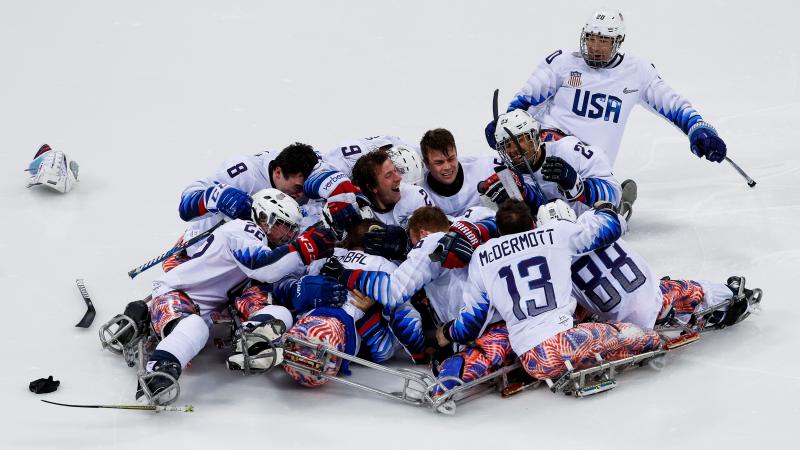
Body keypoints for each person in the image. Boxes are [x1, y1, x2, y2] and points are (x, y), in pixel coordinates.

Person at [489, 9, 728, 218]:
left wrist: (699, 129)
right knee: (513, 204)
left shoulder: (637, 72)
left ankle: (615, 207)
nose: (594, 46)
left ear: (618, 41)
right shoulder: (562, 62)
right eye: (591, 38)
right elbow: (526, 98)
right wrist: (506, 127)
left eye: (603, 40)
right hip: (544, 149)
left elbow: (673, 104)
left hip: (589, 165)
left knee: (575, 217)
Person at [127, 189, 344, 404]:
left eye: (292, 229)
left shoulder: (262, 241)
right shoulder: (244, 229)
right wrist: (306, 248)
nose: (288, 235)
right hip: (176, 294)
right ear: (264, 217)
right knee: (195, 327)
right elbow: (263, 268)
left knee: (280, 312)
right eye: (283, 225)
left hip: (215, 305)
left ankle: (252, 338)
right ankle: (159, 368)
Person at [436, 200, 663, 383]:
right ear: (533, 224)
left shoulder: (482, 256)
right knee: (635, 334)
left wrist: (448, 333)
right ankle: (651, 340)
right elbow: (611, 228)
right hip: (566, 343)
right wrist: (604, 209)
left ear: (500, 232)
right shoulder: (555, 233)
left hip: (531, 358)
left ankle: (453, 373)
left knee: (497, 338)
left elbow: (472, 322)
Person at [536, 200, 760, 330]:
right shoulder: (590, 221)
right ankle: (730, 297)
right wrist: (602, 208)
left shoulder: (551, 261)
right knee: (691, 289)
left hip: (621, 326)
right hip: (655, 299)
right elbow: (618, 220)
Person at [482, 109, 620, 216]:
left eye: (519, 140)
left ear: (535, 136)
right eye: (506, 145)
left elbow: (614, 192)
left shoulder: (568, 150)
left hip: (587, 222)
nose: (512, 149)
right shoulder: (508, 176)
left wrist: (577, 185)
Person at [417, 128, 500, 217]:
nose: (447, 167)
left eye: (451, 159)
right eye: (439, 162)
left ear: (456, 154)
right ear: (426, 164)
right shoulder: (418, 193)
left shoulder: (485, 166)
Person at [350, 149, 433, 229]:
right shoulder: (359, 213)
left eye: (395, 170)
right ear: (372, 187)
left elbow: (434, 237)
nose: (398, 178)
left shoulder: (416, 196)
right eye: (388, 175)